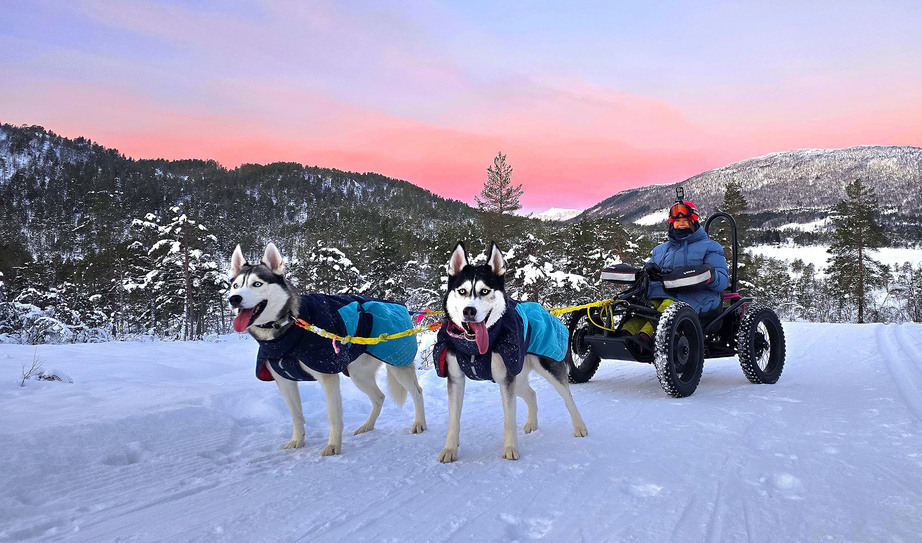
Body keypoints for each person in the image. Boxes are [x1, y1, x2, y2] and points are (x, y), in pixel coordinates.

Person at [621, 199, 730, 350]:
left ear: (693, 222)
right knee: (643, 307)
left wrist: (707, 275)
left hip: (700, 294)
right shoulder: (660, 250)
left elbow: (723, 280)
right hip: (664, 292)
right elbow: (650, 275)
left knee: (668, 306)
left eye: (685, 221)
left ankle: (646, 337)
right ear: (672, 224)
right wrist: (648, 271)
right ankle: (624, 335)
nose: (681, 224)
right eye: (677, 221)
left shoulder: (710, 247)